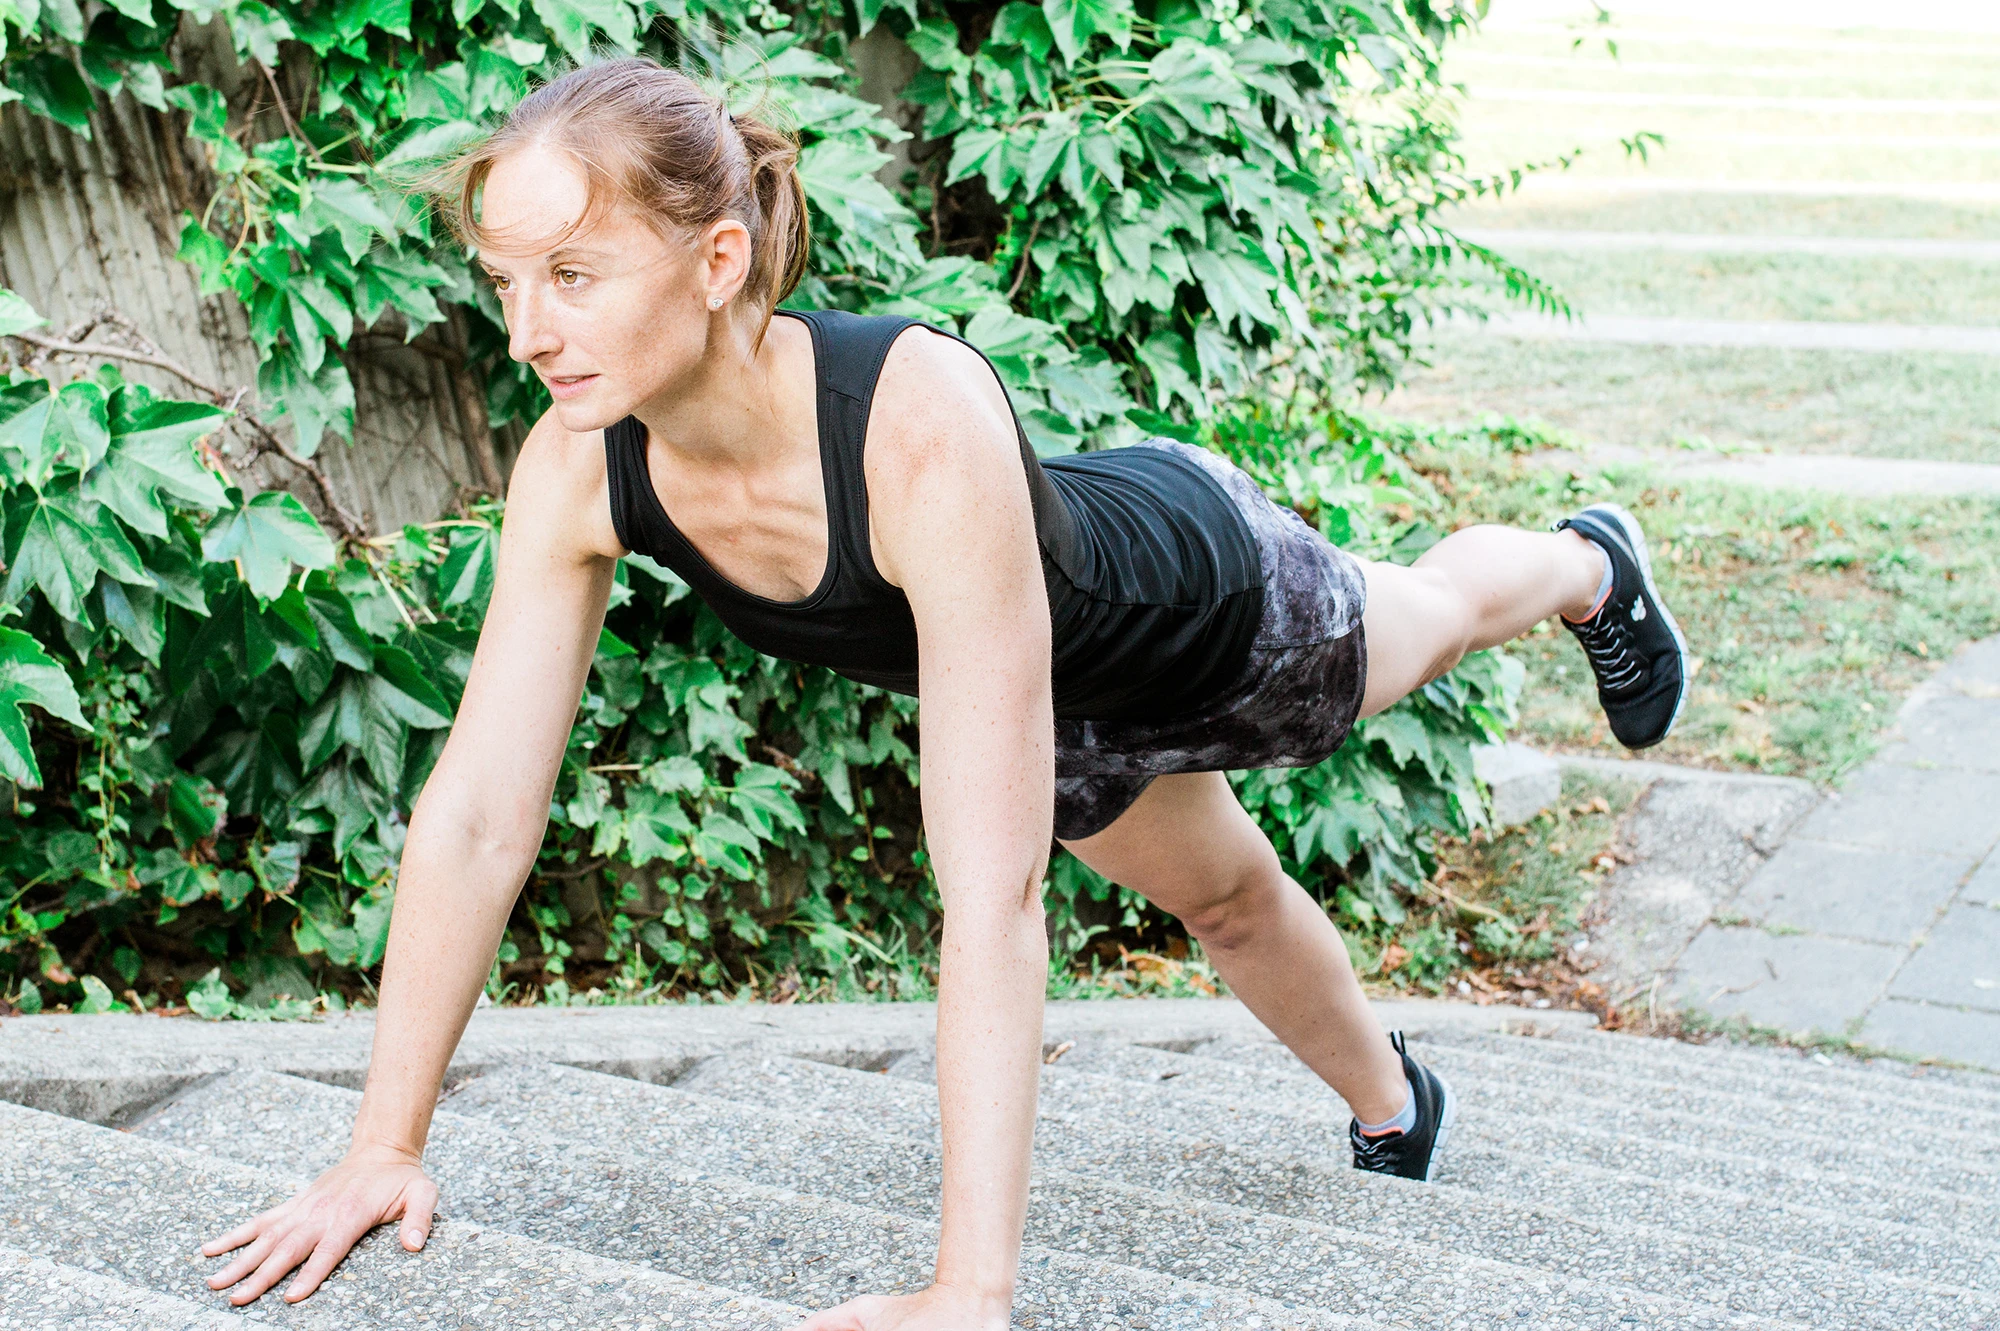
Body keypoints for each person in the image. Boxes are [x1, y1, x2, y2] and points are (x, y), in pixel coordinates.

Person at [196, 56, 1690, 1331]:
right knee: (1225, 900)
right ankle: (1398, 1106)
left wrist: (968, 1291)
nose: (528, 333)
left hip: (1204, 603)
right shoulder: (578, 465)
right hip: (1035, 696)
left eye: (574, 277)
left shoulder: (913, 422)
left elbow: (989, 895)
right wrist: (381, 1143)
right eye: (510, 281)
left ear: (719, 262)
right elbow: (474, 817)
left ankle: (1580, 565)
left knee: (1419, 615)